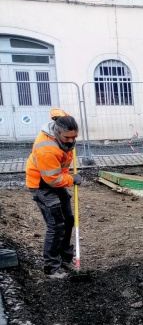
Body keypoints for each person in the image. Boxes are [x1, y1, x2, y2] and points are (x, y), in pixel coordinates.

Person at [26, 108, 82, 279]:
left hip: (56, 177)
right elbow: (53, 180)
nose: (72, 141)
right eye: (68, 138)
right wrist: (72, 179)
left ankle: (65, 257)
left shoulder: (61, 124)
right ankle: (52, 267)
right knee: (56, 225)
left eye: (74, 137)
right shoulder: (47, 149)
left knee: (68, 219)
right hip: (42, 185)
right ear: (56, 132)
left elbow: (57, 111)